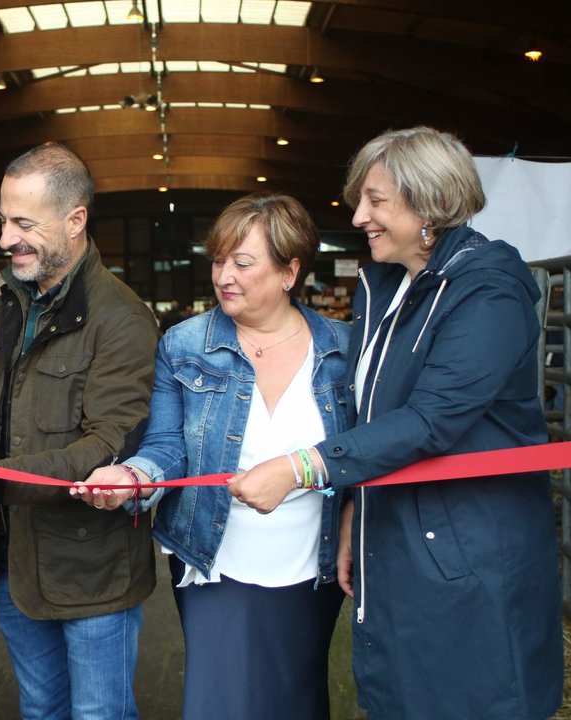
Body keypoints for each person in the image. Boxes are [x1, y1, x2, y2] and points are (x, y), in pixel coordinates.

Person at [230, 127, 563, 720]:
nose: (359, 216)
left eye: (376, 201)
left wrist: (304, 466)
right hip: (399, 531)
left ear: (429, 203)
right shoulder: (386, 286)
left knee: (468, 694)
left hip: (466, 544)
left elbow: (432, 419)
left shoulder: (488, 292)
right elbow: (372, 410)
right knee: (400, 695)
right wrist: (358, 507)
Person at [74, 193, 349, 720]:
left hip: (311, 564)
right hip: (216, 558)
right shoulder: (184, 345)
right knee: (219, 701)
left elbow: (361, 451)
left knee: (297, 696)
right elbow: (167, 445)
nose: (225, 275)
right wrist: (134, 476)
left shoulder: (342, 349)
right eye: (219, 260)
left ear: (290, 271)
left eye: (243, 263)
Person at [0, 143, 159, 720]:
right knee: (40, 708)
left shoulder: (121, 318)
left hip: (93, 573)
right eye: (3, 220)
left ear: (75, 220)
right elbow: (1, 423)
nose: (7, 237)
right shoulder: (16, 302)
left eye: (23, 223)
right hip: (16, 563)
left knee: (98, 714)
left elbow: (109, 444)